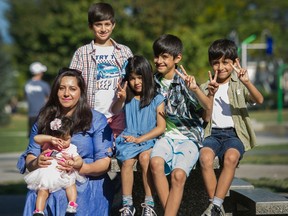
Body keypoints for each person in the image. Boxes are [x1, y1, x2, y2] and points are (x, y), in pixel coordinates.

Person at [17, 68, 114, 216]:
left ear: (81, 92)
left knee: (62, 197)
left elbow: (104, 163)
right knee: (35, 195)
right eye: (61, 88)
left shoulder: (96, 119)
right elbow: (30, 157)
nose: (66, 93)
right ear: (55, 91)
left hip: (86, 180)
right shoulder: (43, 118)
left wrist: (79, 167)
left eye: (72, 89)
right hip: (50, 178)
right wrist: (37, 162)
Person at [199, 38, 264, 216]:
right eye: (216, 63)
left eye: (226, 62)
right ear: (211, 64)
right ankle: (216, 205)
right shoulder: (206, 86)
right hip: (212, 134)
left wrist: (247, 82)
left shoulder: (239, 84)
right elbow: (205, 117)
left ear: (234, 62)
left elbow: (259, 100)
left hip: (234, 135)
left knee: (231, 157)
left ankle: (216, 205)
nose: (221, 67)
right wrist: (210, 94)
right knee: (205, 157)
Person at [149, 34, 212, 216]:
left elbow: (207, 108)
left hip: (189, 137)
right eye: (157, 56)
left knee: (178, 175)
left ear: (177, 58)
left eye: (164, 57)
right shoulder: (152, 83)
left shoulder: (186, 82)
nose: (158, 61)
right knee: (155, 163)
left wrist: (196, 90)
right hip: (164, 137)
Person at [112, 55, 166, 216]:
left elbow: (161, 127)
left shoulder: (157, 98)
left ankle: (149, 204)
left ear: (148, 76)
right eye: (132, 78)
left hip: (149, 139)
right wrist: (120, 99)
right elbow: (115, 111)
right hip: (129, 138)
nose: (136, 82)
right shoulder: (127, 98)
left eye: (140, 77)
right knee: (127, 163)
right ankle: (127, 205)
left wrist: (141, 139)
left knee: (145, 159)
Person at [69, 2, 133, 137]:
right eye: (98, 24)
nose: (103, 29)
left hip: (119, 116)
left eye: (107, 24)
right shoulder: (82, 53)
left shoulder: (125, 52)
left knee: (117, 154)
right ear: (90, 26)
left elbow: (134, 81)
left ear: (113, 24)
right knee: (92, 154)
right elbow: (72, 85)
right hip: (90, 116)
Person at [24, 116, 86, 215]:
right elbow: (36, 138)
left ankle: (72, 204)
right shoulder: (49, 144)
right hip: (48, 173)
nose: (62, 142)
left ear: (71, 137)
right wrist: (51, 139)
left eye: (66, 139)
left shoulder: (71, 148)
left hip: (64, 173)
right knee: (42, 190)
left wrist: (74, 163)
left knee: (71, 185)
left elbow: (79, 161)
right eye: (59, 139)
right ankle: (39, 211)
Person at [24, 62, 50, 137]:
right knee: (42, 137)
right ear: (40, 72)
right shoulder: (44, 85)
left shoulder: (27, 84)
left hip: (31, 114)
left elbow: (26, 97)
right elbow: (49, 99)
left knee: (32, 137)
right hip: (43, 114)